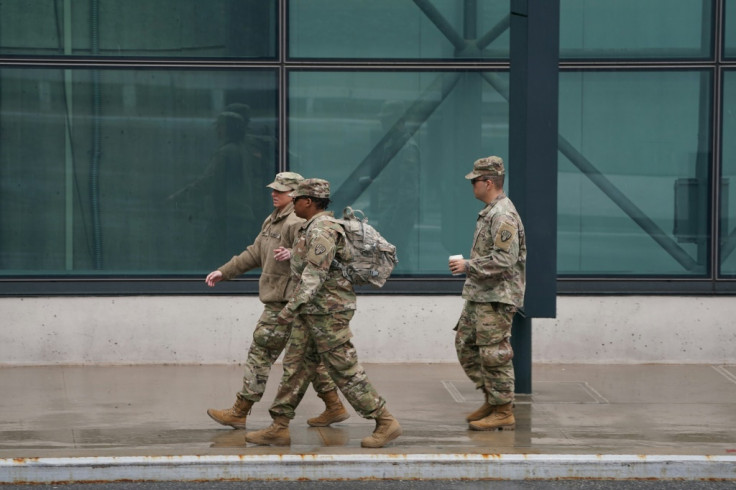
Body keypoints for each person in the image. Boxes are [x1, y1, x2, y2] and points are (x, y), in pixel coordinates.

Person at [244, 178, 402, 448]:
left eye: (296, 199)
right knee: (295, 368)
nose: (292, 202)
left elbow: (313, 276)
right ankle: (279, 426)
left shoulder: (322, 231)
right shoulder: (311, 228)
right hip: (311, 313)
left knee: (344, 369)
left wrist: (289, 310)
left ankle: (385, 421)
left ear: (308, 201)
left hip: (328, 314)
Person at [205, 172, 349, 430]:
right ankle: (334, 406)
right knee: (308, 361)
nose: (274, 193)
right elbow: (254, 252)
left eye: (281, 191)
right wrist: (225, 271)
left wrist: (293, 253)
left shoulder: (297, 222)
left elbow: (318, 256)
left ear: (297, 195)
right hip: (283, 301)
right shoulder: (273, 220)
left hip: (287, 302)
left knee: (261, 353)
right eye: (274, 189)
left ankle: (240, 411)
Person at [448, 156, 526, 431]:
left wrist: (468, 266)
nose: (473, 186)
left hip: (496, 296)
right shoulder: (491, 211)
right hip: (481, 294)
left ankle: (503, 410)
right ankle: (494, 399)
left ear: (488, 182)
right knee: (466, 344)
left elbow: (505, 259)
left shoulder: (502, 215)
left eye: (475, 181)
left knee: (494, 354)